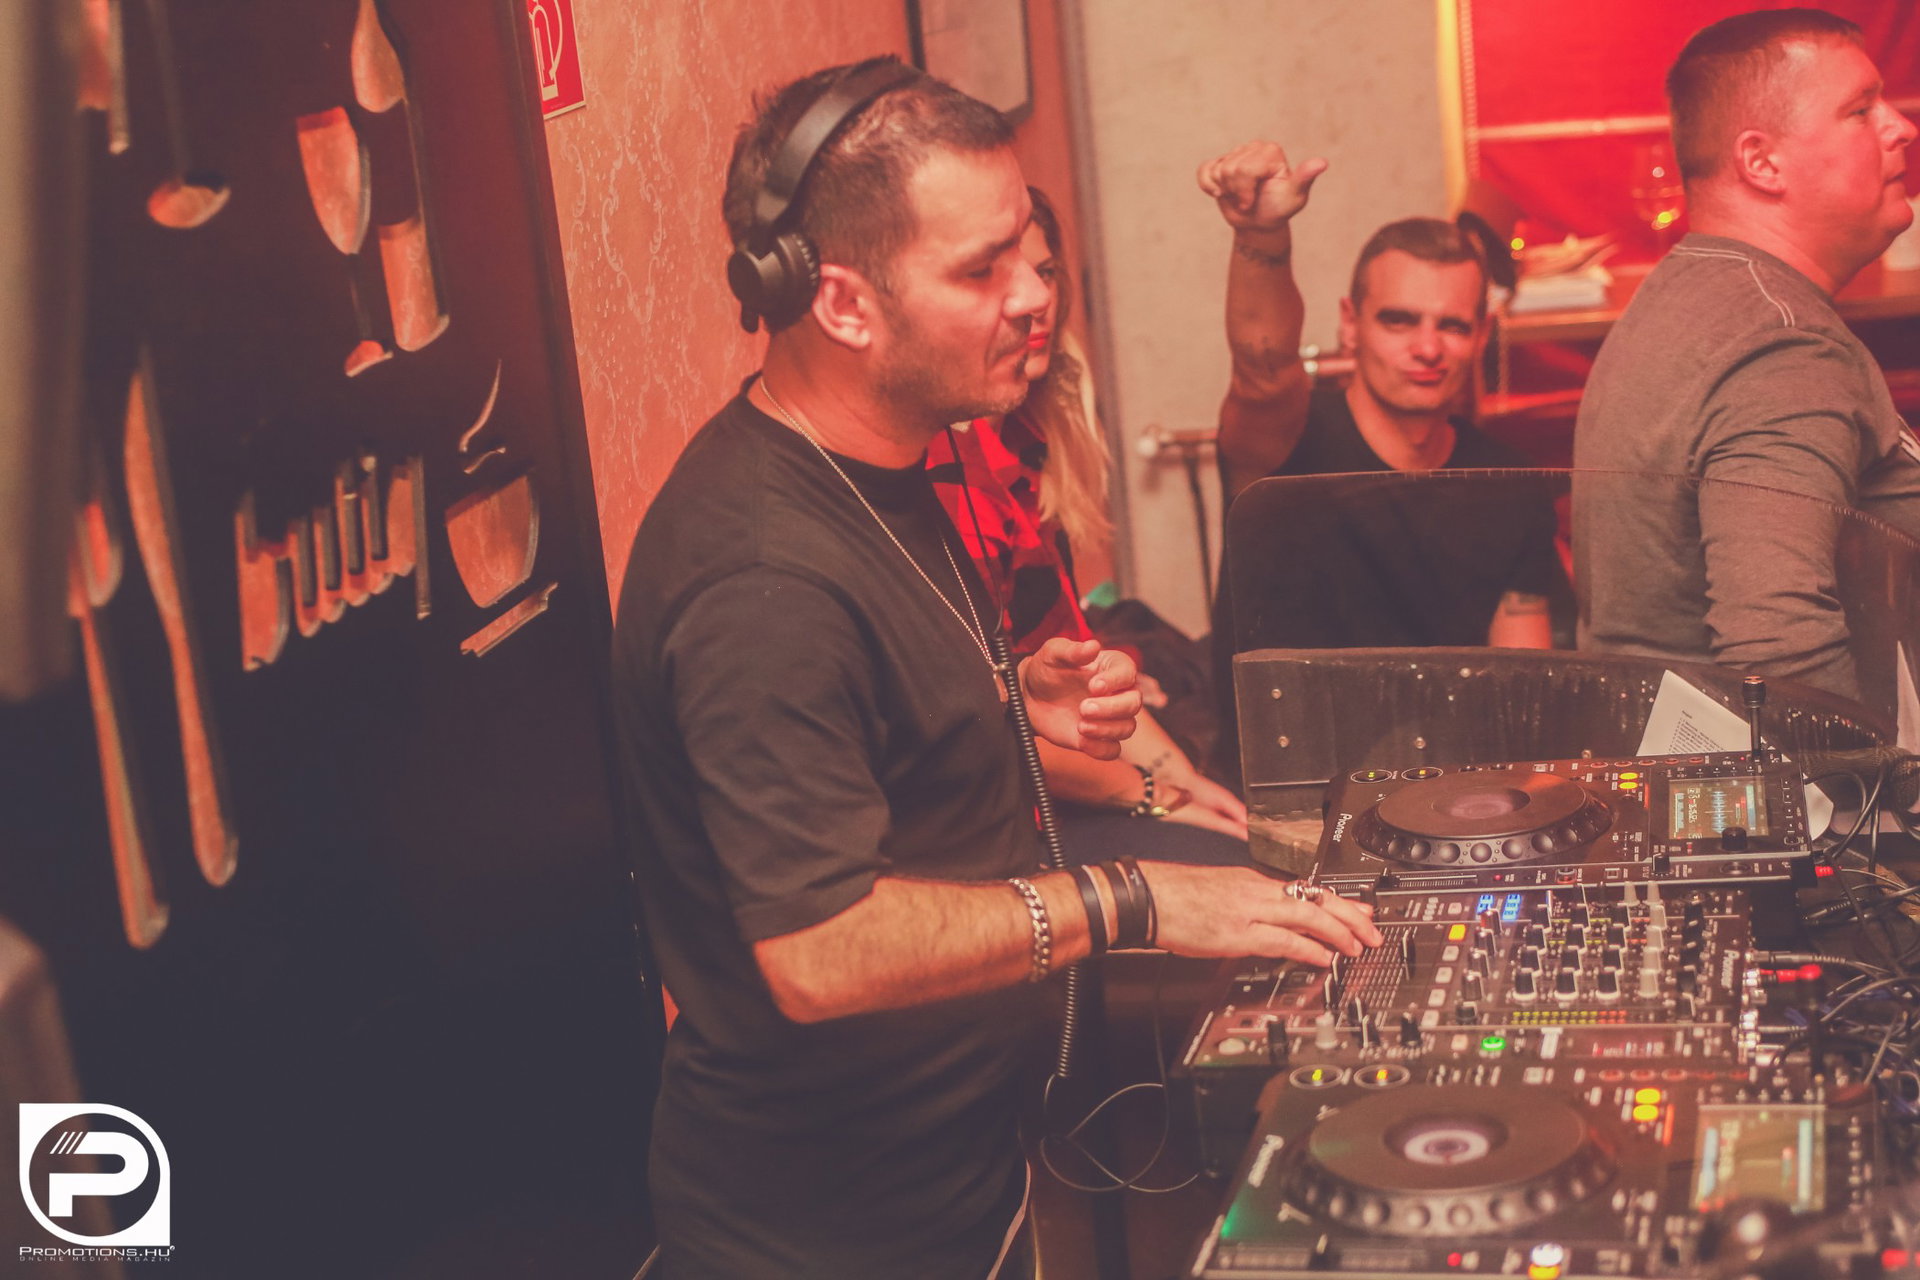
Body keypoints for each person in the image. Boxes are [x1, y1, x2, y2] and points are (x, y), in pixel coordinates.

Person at [610, 59, 1381, 1278]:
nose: (1033, 295)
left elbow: (862, 730)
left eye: (1030, 249)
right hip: (822, 1238)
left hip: (959, 1186)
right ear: (842, 303)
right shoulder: (760, 578)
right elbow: (818, 948)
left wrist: (1004, 700)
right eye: (981, 271)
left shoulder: (887, 461)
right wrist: (1135, 897)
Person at [1572, 9, 1920, 699]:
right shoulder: (1782, 346)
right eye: (1860, 110)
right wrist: (1864, 770)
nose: (1900, 127)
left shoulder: (1691, 289)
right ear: (1761, 163)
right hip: (1783, 768)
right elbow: (1780, 649)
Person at [926, 187, 1249, 859]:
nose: (1036, 299)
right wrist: (1155, 795)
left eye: (1045, 272)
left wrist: (1186, 782)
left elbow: (1078, 667)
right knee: (1231, 865)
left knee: (1234, 814)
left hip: (1061, 781)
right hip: (993, 818)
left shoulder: (1027, 439)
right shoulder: (945, 465)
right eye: (999, 275)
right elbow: (991, 728)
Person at [1200, 139, 1561, 651]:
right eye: (1399, 320)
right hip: (1282, 709)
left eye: (1453, 326)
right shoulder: (1287, 444)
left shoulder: (1509, 485)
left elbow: (1522, 675)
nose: (1428, 348)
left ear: (1482, 336)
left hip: (1453, 708)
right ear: (1351, 324)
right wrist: (1262, 234)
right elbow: (1264, 375)